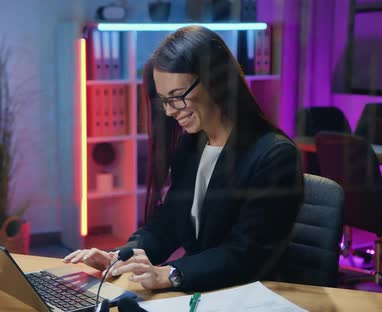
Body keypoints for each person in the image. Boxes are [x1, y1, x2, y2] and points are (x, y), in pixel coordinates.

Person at [63, 26, 304, 292]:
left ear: (216, 80)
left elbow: (245, 254)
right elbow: (169, 223)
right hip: (205, 291)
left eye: (176, 97)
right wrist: (119, 257)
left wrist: (172, 274)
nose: (169, 111)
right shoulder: (194, 144)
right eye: (164, 100)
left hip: (250, 295)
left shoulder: (275, 156)